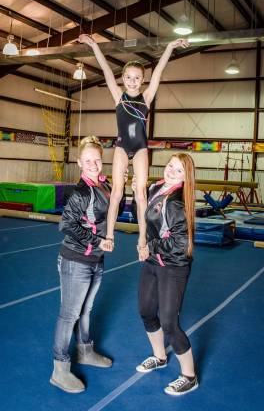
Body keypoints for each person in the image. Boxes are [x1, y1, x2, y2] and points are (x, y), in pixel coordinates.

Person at [78, 34, 189, 260]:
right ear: (123, 78)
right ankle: (109, 236)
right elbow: (106, 71)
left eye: (137, 78)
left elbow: (158, 71)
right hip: (121, 146)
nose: (132, 81)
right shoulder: (118, 96)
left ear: (142, 81)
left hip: (140, 148)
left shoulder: (146, 98)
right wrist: (93, 45)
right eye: (128, 77)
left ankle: (142, 240)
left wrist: (169, 46)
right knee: (117, 192)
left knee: (140, 194)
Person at [50, 136, 112, 394]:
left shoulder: (102, 185)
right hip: (76, 261)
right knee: (69, 314)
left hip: (95, 259)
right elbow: (65, 225)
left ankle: (85, 351)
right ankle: (59, 369)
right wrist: (96, 240)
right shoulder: (81, 192)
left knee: (87, 310)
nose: (93, 164)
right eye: (87, 161)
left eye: (97, 159)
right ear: (79, 163)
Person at [135, 152, 198, 396]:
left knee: (170, 323)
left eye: (178, 170)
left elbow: (180, 245)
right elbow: (143, 217)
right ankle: (159, 357)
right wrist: (137, 196)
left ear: (186, 177)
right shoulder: (157, 187)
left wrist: (148, 246)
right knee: (147, 311)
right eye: (171, 165)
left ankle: (189, 376)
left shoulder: (177, 201)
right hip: (153, 261)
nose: (171, 171)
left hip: (173, 266)